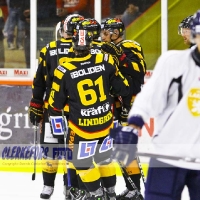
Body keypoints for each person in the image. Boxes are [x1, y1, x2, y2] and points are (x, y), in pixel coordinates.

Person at [111, 9, 200, 200]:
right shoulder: (173, 63)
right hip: (168, 155)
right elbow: (149, 97)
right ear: (194, 35)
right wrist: (133, 126)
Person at [48, 20, 130, 200]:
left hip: (82, 129)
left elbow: (55, 104)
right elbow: (123, 89)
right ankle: (111, 194)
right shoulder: (105, 60)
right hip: (106, 123)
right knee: (104, 159)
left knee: (80, 162)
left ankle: (97, 195)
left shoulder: (64, 69)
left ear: (74, 44)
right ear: (91, 44)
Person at [28, 14, 84, 200]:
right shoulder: (89, 50)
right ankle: (61, 186)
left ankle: (57, 186)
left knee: (55, 149)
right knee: (71, 151)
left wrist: (36, 104)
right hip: (68, 110)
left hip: (60, 110)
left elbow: (39, 83)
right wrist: (36, 103)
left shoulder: (50, 48)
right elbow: (40, 81)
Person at [100, 17, 146, 200]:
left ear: (115, 32)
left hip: (131, 103)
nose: (102, 36)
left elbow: (139, 69)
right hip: (117, 104)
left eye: (105, 33)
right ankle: (130, 186)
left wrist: (119, 54)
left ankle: (135, 189)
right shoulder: (104, 48)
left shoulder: (131, 45)